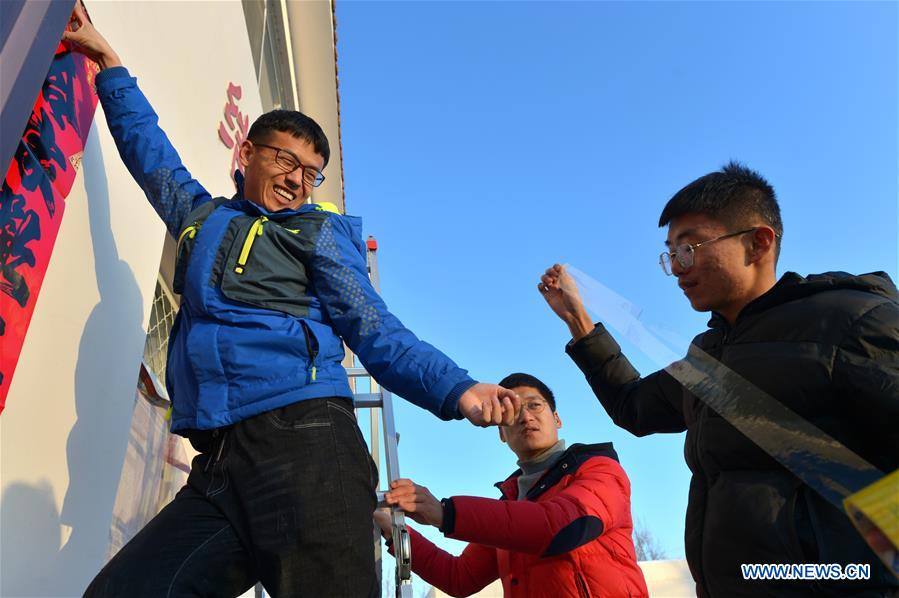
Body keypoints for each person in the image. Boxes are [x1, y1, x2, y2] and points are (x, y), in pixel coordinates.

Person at [63, 5, 520, 597]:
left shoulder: (317, 232)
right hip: (219, 463)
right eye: (285, 159)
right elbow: (152, 156)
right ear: (246, 153)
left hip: (308, 447)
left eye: (311, 173)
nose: (297, 180)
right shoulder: (202, 219)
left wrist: (458, 388)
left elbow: (374, 328)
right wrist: (109, 64)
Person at [539, 162, 899, 596]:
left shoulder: (851, 322)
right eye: (670, 254)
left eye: (689, 248)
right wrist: (578, 321)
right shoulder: (707, 355)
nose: (677, 268)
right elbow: (633, 407)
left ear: (758, 242)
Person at [375, 372, 649, 597]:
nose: (525, 417)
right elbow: (458, 577)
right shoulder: (510, 507)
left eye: (534, 405)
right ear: (501, 434)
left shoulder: (599, 470)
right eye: (513, 412)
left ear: (557, 419)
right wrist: (392, 529)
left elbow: (560, 526)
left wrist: (446, 513)